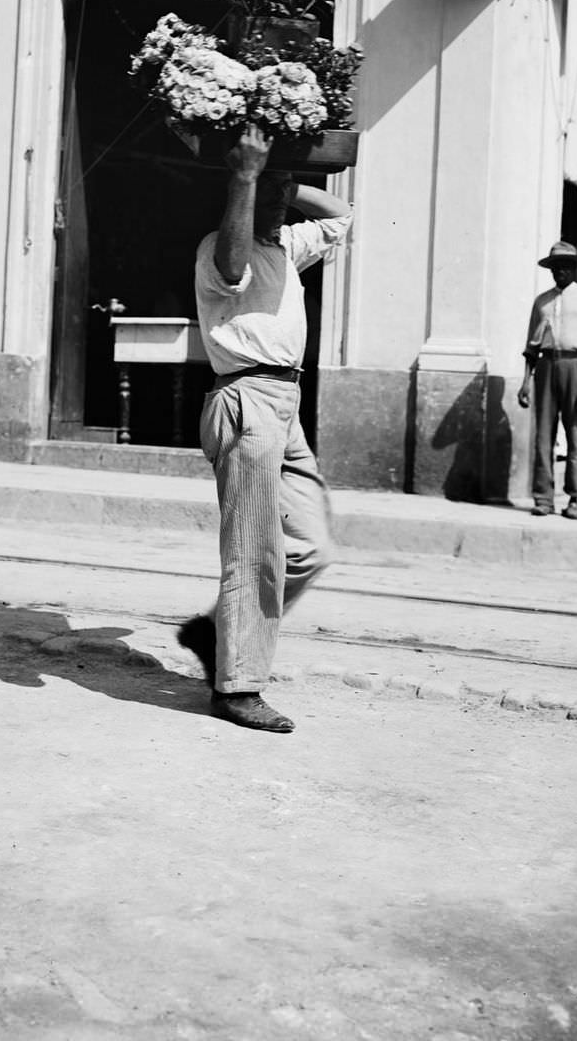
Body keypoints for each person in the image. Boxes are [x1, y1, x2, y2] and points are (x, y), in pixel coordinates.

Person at [177, 123, 353, 733]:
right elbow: (232, 266)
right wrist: (249, 177)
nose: (279, 202)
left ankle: (217, 634)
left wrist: (284, 178)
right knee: (255, 553)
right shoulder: (222, 247)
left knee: (311, 547)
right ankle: (238, 687)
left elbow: (341, 217)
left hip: (286, 404)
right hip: (246, 399)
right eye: (267, 192)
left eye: (283, 192)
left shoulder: (285, 245)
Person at [517, 241, 577, 520]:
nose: (560, 271)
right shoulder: (541, 301)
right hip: (546, 366)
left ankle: (573, 498)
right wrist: (526, 382)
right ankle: (543, 498)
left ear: (574, 268)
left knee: (575, 435)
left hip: (576, 366)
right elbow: (531, 347)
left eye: (566, 266)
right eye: (556, 267)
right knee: (543, 435)